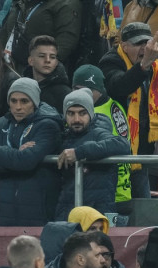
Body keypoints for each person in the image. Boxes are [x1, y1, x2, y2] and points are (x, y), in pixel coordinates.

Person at [99, 21, 158, 198]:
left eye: (146, 43)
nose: (144, 48)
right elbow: (119, 86)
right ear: (124, 46)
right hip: (116, 146)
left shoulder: (153, 62)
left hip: (141, 147)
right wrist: (143, 67)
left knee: (142, 205)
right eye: (138, 44)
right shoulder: (110, 61)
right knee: (119, 203)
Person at [0, 77, 63, 226]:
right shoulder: (2, 123)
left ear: (34, 102)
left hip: (38, 210)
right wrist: (15, 155)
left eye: (24, 101)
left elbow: (26, 161)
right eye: (13, 101)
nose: (18, 107)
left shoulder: (48, 125)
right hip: (5, 209)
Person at [55, 88, 130, 220]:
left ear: (90, 113)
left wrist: (79, 152)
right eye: (71, 114)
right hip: (67, 210)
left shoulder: (98, 132)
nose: (76, 119)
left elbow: (122, 145)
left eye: (82, 113)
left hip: (97, 212)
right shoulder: (63, 137)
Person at [71, 64, 132, 215]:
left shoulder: (93, 114)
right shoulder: (114, 106)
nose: (82, 95)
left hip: (108, 195)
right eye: (77, 89)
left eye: (88, 90)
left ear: (99, 89)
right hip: (115, 193)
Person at [25, 35, 71, 113]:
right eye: (42, 56)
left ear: (56, 62)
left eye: (52, 57)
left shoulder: (65, 94)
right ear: (31, 60)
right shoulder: (22, 87)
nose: (47, 60)